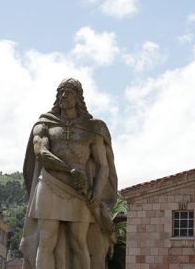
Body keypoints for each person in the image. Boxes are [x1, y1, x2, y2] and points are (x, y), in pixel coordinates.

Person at [20, 78, 117, 269]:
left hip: (80, 191)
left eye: (68, 92)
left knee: (79, 242)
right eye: (60, 93)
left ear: (78, 98)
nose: (63, 96)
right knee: (46, 240)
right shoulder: (45, 124)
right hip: (49, 184)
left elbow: (103, 166)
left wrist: (95, 195)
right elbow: (41, 153)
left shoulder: (93, 128)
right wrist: (70, 171)